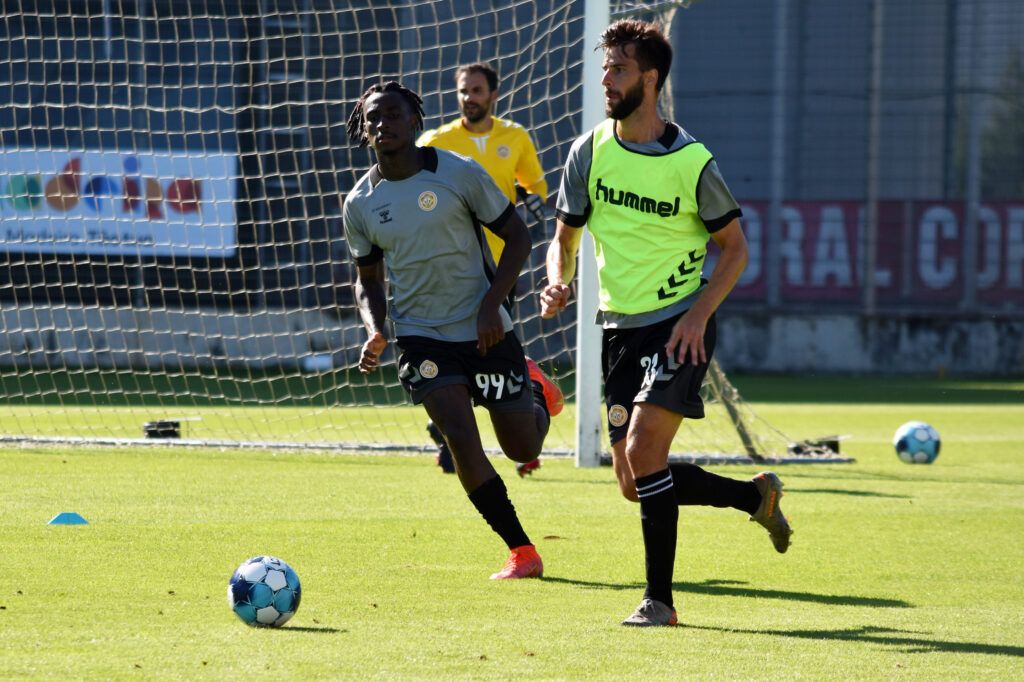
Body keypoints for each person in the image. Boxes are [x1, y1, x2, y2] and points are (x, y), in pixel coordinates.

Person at [539, 20, 793, 626]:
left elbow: (735, 250)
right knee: (633, 480)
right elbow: (563, 240)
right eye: (605, 68)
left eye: (619, 69)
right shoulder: (588, 151)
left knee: (645, 448)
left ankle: (660, 601)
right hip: (618, 329)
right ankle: (753, 497)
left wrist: (699, 316)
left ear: (650, 80)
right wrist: (558, 279)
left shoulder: (690, 161)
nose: (607, 79)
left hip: (680, 323)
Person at [342, 81, 562, 580]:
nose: (382, 123)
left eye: (392, 114)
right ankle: (521, 550)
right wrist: (376, 329)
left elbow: (518, 237)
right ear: (363, 130)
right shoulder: (360, 202)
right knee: (461, 439)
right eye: (373, 118)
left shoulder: (458, 172)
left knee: (522, 449)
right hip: (420, 336)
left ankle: (534, 388)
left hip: (486, 329)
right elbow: (368, 279)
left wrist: (491, 307)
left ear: (414, 121)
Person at [418, 61, 560, 477]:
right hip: (447, 265)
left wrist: (528, 198)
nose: (469, 98)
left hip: (500, 266)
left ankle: (526, 409)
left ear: (493, 95)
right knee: (447, 349)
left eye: (477, 90)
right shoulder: (436, 141)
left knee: (489, 349)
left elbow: (536, 186)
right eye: (464, 90)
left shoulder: (514, 137)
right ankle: (452, 434)